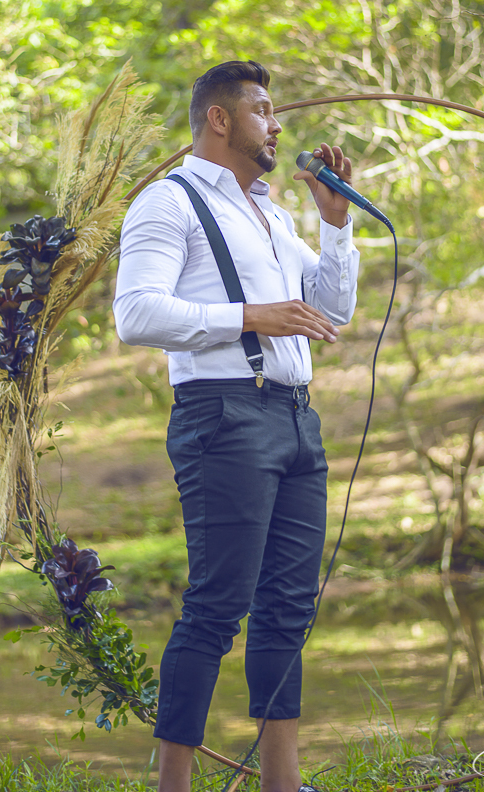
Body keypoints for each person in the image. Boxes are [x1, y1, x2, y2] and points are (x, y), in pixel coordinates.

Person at [114, 60, 360, 792]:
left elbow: (333, 310)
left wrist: (335, 225)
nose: (276, 124)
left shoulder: (271, 215)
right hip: (222, 414)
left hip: (295, 418)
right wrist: (250, 316)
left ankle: (282, 783)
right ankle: (173, 786)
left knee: (287, 609)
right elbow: (136, 314)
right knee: (217, 606)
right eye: (262, 110)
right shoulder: (169, 201)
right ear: (219, 119)